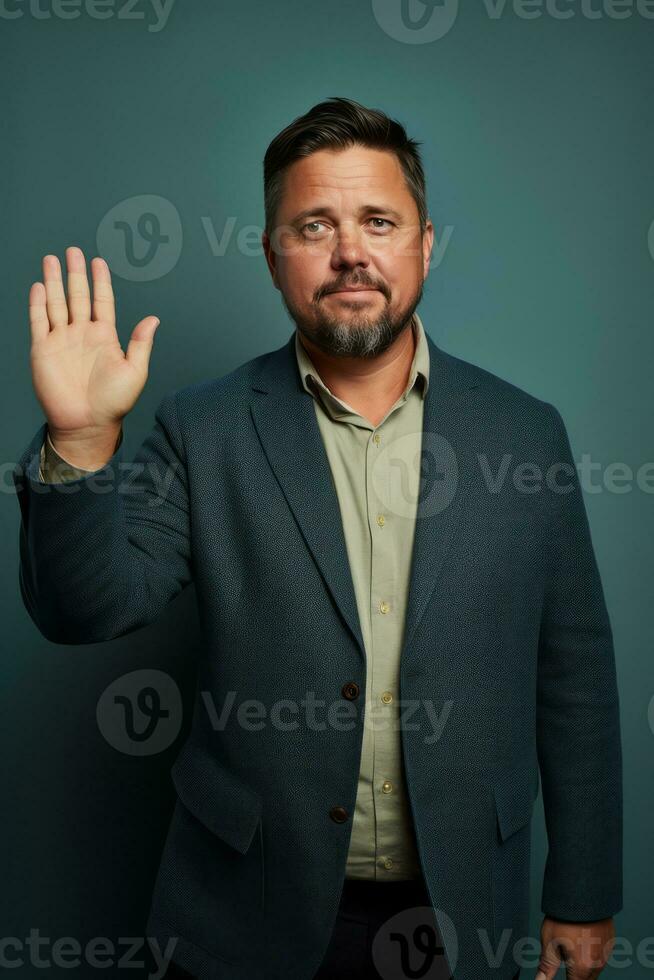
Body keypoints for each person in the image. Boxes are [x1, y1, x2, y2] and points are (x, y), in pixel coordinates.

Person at [13, 97, 622, 980]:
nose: (350, 252)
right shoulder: (203, 428)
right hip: (244, 915)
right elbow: (85, 611)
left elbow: (577, 673)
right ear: (270, 256)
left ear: (424, 243)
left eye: (379, 221)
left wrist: (584, 888)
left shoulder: (525, 435)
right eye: (314, 225)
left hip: (460, 912)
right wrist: (78, 443)